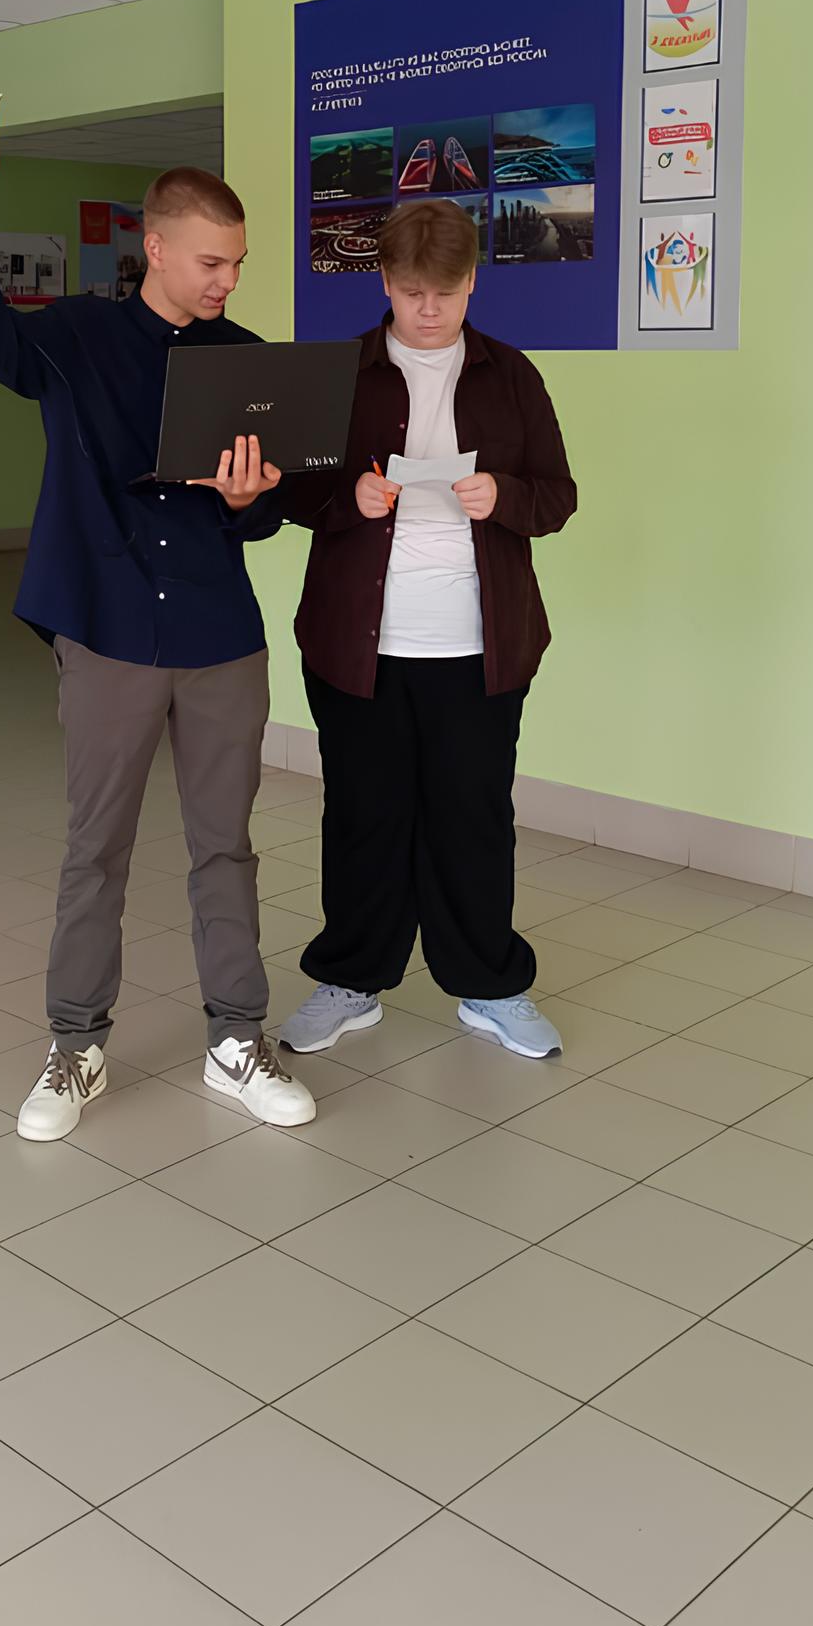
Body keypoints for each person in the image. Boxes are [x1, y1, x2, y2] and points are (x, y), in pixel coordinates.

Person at [0, 104, 315, 1142]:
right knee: (95, 847)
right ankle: (76, 1045)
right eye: (212, 262)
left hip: (220, 638)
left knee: (225, 847)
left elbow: (268, 511)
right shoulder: (76, 337)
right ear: (157, 247)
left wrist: (252, 499)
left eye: (237, 264)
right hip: (104, 628)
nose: (228, 281)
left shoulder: (247, 362)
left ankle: (237, 1038)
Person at [276, 198, 577, 1061]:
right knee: (361, 815)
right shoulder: (342, 372)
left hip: (479, 647)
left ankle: (490, 985)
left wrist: (504, 497)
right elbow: (292, 494)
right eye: (412, 293)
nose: (429, 310)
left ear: (472, 281)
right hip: (358, 646)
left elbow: (558, 496)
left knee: (472, 818)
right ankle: (351, 980)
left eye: (445, 292)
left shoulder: (512, 376)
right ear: (386, 283)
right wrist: (349, 498)